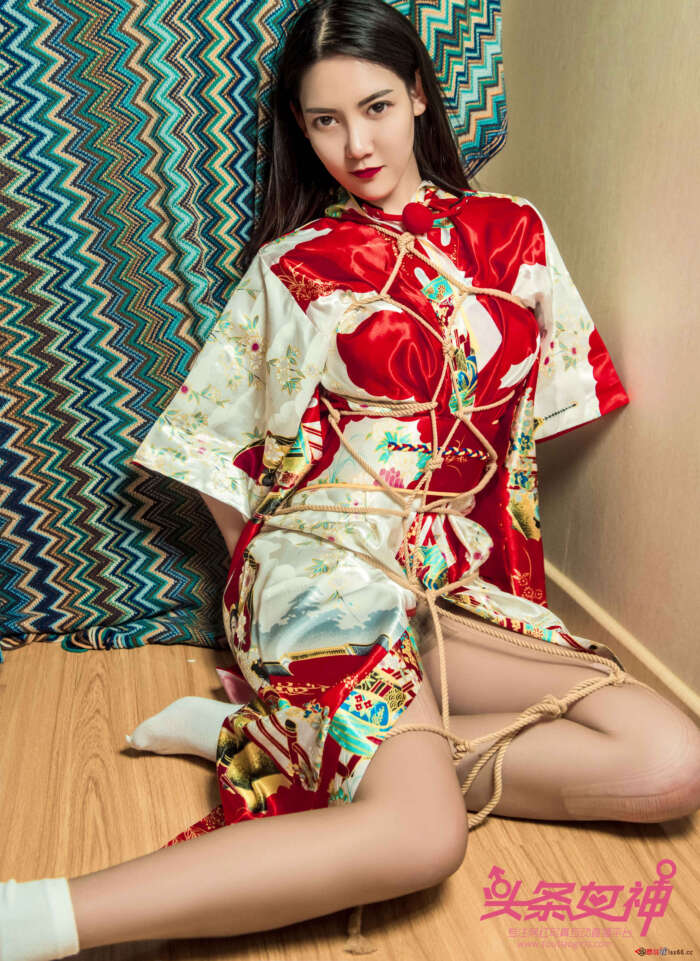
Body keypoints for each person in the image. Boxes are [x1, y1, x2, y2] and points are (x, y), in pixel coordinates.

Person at [2, 1, 700, 958]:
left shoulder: (515, 235)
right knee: (422, 836)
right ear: (302, 128)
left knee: (667, 760)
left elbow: (524, 445)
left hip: (445, 583)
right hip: (319, 573)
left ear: (418, 93)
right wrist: (265, 611)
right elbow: (212, 456)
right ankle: (33, 918)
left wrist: (502, 579)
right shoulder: (291, 268)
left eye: (374, 108)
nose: (356, 146)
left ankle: (283, 741)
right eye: (325, 121)